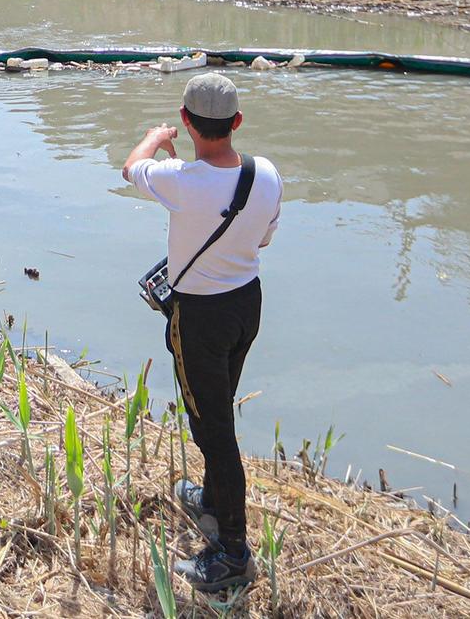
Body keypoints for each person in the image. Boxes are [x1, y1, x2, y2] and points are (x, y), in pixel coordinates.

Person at [120, 72, 281, 593]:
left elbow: (131, 168)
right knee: (220, 403)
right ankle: (211, 500)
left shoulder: (179, 179)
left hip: (201, 316)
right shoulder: (266, 174)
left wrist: (155, 137)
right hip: (246, 304)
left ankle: (233, 551)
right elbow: (266, 239)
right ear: (237, 123)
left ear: (187, 121)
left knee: (213, 430)